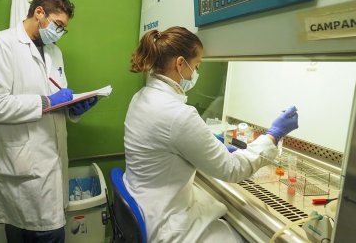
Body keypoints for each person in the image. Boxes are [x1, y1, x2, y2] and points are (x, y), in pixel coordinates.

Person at [123, 26, 298, 242]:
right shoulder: (177, 114)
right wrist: (274, 134)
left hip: (147, 203)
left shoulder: (141, 97)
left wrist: (209, 144)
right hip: (166, 224)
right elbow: (231, 170)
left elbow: (166, 141)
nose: (195, 72)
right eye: (196, 65)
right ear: (180, 63)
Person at [0, 0, 97, 243]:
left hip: (51, 161)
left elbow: (56, 100)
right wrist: (45, 102)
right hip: (21, 167)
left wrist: (73, 109)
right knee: (36, 232)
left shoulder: (54, 52)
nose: (60, 33)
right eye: (58, 25)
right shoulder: (2, 44)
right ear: (39, 13)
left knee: (48, 229)